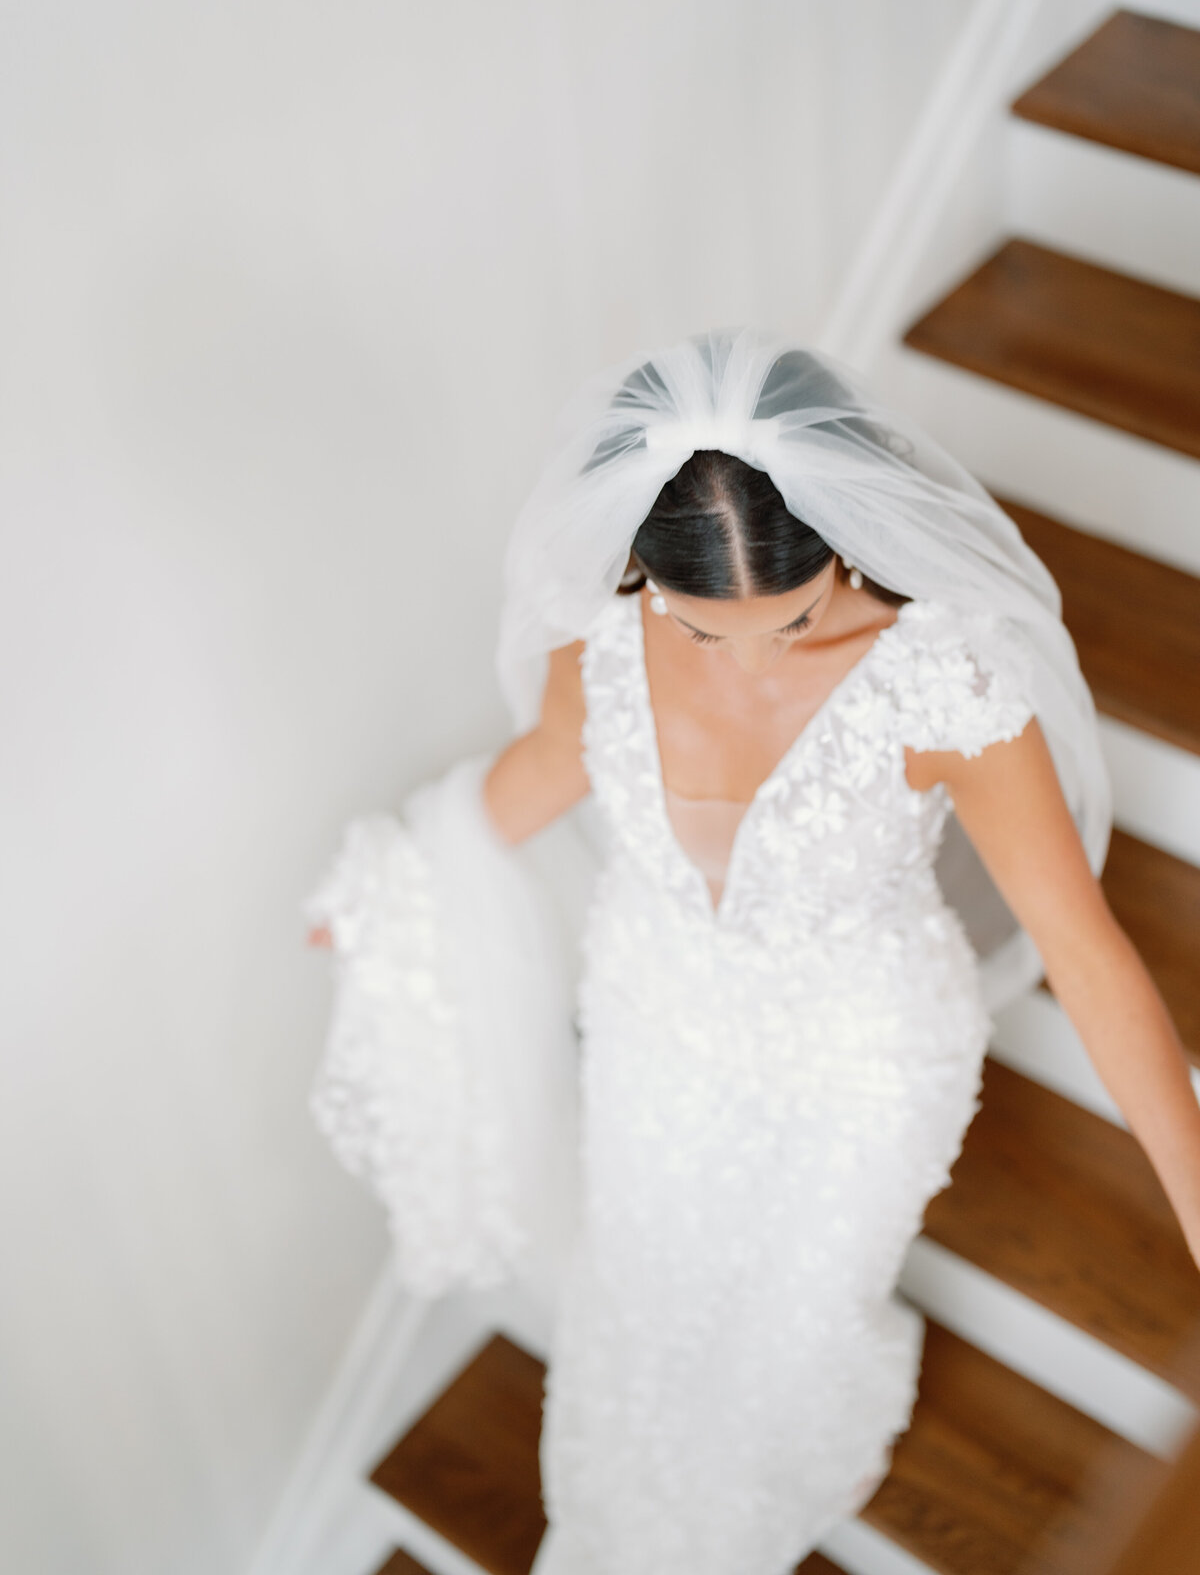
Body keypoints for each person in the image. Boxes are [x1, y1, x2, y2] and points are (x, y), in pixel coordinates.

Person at [306, 328, 1200, 1575]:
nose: (752, 661)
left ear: (843, 538)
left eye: (794, 618)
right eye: (705, 627)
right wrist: (395, 879)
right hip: (657, 1016)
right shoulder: (602, 636)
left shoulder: (948, 686)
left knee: (794, 1321)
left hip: (863, 1058)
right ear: (639, 569)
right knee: (644, 1289)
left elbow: (1088, 953)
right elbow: (542, 773)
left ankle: (764, 1483)